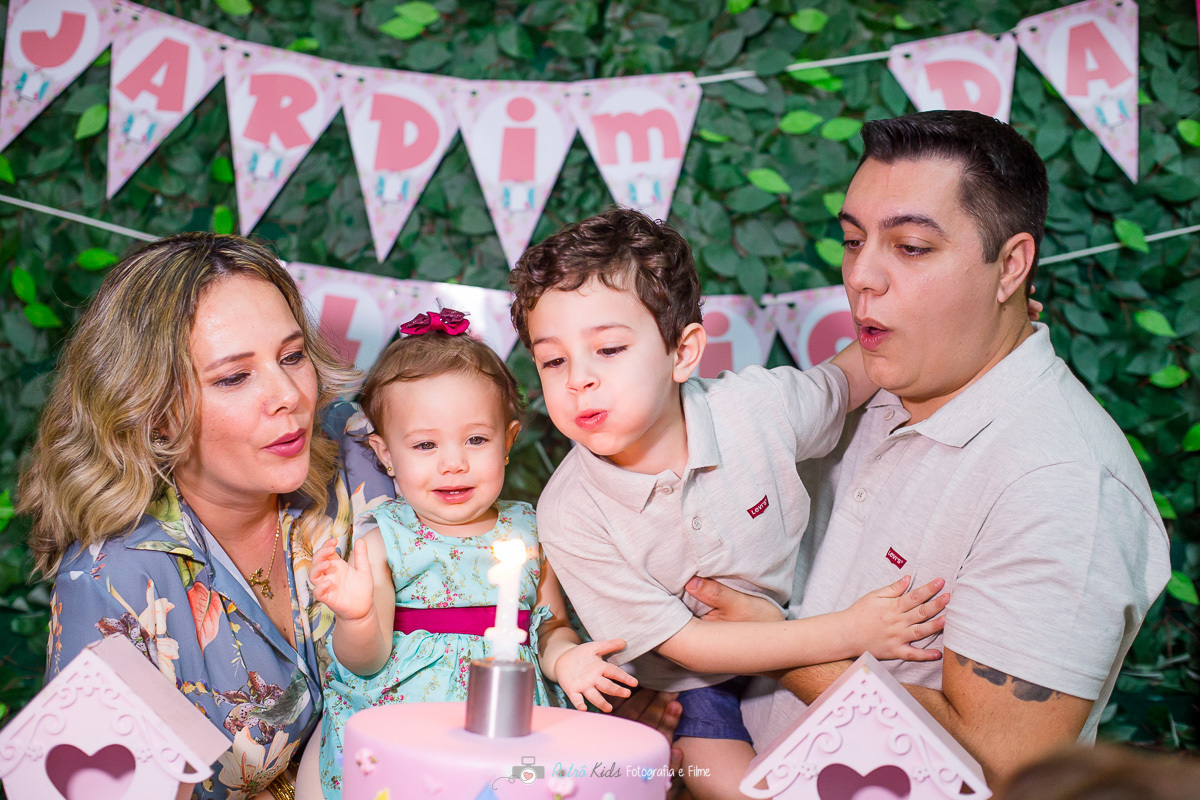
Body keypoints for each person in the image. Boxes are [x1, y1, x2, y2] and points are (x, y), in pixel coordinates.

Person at [684, 110, 1171, 786]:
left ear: (1012, 267)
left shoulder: (1063, 482)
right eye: (853, 241)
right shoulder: (865, 385)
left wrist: (772, 645)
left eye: (910, 247)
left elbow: (1004, 768)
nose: (862, 277)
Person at [508, 208, 951, 800]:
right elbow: (687, 646)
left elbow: (846, 380)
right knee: (745, 792)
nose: (578, 380)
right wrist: (849, 631)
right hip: (690, 684)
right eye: (553, 360)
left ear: (683, 352)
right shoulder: (570, 512)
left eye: (609, 349)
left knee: (887, 761)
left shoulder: (757, 408)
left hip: (792, 617)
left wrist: (964, 330)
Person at [18, 233, 394, 800]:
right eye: (234, 377)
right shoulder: (111, 580)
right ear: (154, 412)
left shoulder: (361, 453)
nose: (288, 394)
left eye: (292, 356)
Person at [308, 310, 638, 799]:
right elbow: (367, 661)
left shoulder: (529, 531)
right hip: (414, 733)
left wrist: (565, 659)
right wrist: (356, 617)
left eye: (476, 439)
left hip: (509, 724)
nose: (454, 462)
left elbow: (548, 626)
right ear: (384, 454)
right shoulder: (386, 538)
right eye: (424, 444)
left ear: (507, 441)